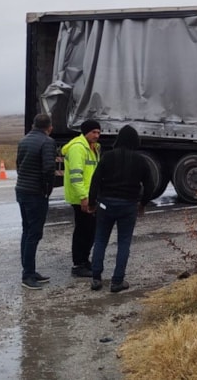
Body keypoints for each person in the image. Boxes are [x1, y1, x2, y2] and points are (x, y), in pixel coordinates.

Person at [87, 125, 150, 293]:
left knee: (100, 240)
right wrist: (143, 203)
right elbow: (149, 184)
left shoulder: (107, 156)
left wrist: (92, 203)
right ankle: (117, 281)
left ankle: (96, 278)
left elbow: (95, 180)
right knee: (124, 242)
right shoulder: (140, 160)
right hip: (128, 205)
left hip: (105, 204)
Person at [15, 114, 57, 290]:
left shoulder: (24, 140)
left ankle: (29, 270)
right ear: (49, 127)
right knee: (34, 234)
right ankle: (28, 275)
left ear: (34, 125)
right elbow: (48, 169)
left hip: (22, 189)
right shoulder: (47, 142)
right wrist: (47, 189)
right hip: (35, 193)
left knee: (27, 231)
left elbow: (18, 165)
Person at [62, 119, 101, 277]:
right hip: (81, 198)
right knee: (83, 231)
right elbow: (76, 176)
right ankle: (78, 264)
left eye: (98, 132)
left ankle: (84, 260)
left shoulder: (93, 148)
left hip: (90, 196)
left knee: (90, 230)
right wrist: (83, 197)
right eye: (93, 132)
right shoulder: (78, 148)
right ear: (85, 132)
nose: (96, 135)